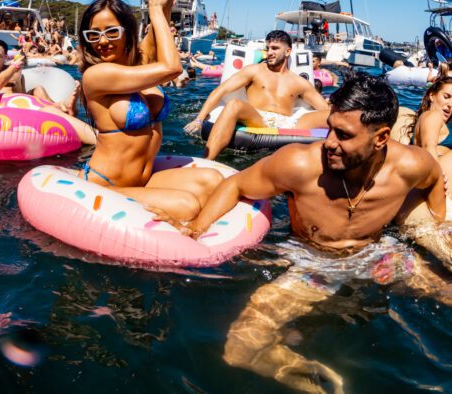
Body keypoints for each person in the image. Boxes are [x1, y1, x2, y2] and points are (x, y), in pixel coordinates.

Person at [154, 72, 450, 392]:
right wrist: (196, 229)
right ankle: (315, 379)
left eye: (344, 134)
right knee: (239, 348)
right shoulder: (300, 164)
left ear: (381, 138)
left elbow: (433, 181)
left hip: (381, 255)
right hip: (314, 265)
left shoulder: (410, 165)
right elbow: (236, 185)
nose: (329, 142)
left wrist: (435, 228)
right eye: (331, 127)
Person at [76, 0, 223, 220]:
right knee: (188, 207)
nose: (102, 41)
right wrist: (153, 10)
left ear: (126, 32)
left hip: (144, 178)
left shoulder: (139, 61)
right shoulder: (96, 77)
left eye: (111, 32)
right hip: (107, 184)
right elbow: (172, 68)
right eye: (93, 35)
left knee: (213, 181)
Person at [185, 30, 330, 159]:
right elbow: (220, 91)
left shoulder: (299, 82)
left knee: (333, 115)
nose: (270, 52)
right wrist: (199, 120)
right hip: (259, 118)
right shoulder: (254, 71)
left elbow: (325, 109)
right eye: (268, 48)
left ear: (287, 52)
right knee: (234, 105)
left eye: (275, 48)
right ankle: (207, 160)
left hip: (288, 122)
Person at [0, 39, 95, 145]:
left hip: (23, 106)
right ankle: (64, 108)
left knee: (38, 89)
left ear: (5, 57)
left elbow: (13, 80)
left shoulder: (13, 68)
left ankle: (65, 109)